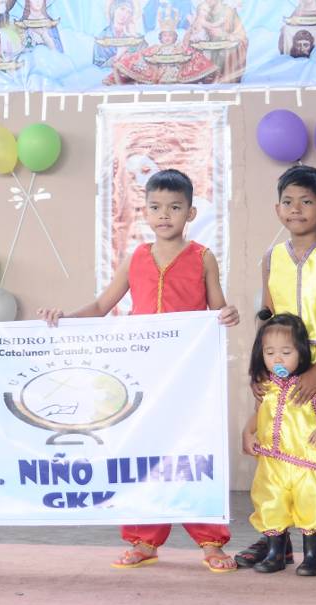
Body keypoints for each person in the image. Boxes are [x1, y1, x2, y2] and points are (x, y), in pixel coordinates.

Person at [38, 169, 240, 573]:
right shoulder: (136, 259)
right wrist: (64, 318)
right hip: (144, 375)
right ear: (144, 212)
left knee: (193, 452)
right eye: (155, 207)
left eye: (174, 207)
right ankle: (143, 540)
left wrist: (227, 313)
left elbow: (217, 307)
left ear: (190, 212)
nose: (164, 215)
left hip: (188, 377)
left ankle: (211, 541)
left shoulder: (202, 257)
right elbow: (101, 306)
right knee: (144, 451)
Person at [234, 166, 316, 576]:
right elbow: (269, 319)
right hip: (282, 367)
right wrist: (260, 371)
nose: (297, 209)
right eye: (289, 202)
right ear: (278, 209)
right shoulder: (271, 257)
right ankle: (279, 538)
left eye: (307, 201)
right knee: (280, 451)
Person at [242, 312, 316, 576]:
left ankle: (312, 556)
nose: (278, 359)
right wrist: (247, 432)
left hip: (305, 461)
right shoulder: (264, 386)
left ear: (301, 351)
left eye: (286, 352)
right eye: (270, 353)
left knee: (310, 503)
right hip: (272, 462)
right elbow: (259, 415)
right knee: (271, 502)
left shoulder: (313, 386)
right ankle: (276, 552)